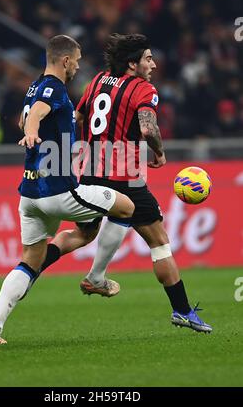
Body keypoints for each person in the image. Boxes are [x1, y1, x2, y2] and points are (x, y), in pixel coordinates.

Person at [37, 33, 212, 334]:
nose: (153, 65)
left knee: (83, 233)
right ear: (132, 64)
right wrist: (158, 151)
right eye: (147, 59)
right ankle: (182, 311)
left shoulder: (98, 81)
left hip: (90, 169)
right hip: (126, 175)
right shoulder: (144, 90)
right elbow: (148, 127)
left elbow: (77, 116)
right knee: (158, 241)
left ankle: (32, 268)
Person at [0, 34, 134, 344]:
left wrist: (43, 130)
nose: (77, 65)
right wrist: (33, 132)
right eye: (76, 60)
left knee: (31, 260)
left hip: (30, 195)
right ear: (65, 60)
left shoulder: (34, 85)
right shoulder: (52, 88)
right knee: (126, 207)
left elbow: (33, 114)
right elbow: (36, 114)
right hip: (59, 191)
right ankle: (97, 278)